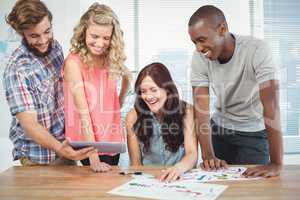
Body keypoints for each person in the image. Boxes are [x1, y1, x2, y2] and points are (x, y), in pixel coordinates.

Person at [188, 5, 283, 177]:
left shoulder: (257, 50)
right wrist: (208, 154)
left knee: (254, 188)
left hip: (253, 133)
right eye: (194, 42)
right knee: (217, 184)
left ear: (222, 29)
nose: (198, 48)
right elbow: (201, 109)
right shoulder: (199, 58)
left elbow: (271, 105)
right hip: (219, 131)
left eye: (202, 40)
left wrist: (276, 162)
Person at [3, 0, 95, 166]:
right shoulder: (17, 69)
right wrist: (60, 148)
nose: (44, 40)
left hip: (66, 148)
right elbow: (30, 124)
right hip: (37, 158)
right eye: (34, 36)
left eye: (47, 31)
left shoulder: (55, 48)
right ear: (22, 33)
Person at [63, 3, 130, 172]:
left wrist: (118, 104)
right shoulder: (73, 63)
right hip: (88, 141)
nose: (100, 43)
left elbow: (127, 78)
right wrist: (93, 157)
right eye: (95, 36)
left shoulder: (110, 58)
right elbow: (82, 112)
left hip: (112, 137)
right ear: (83, 31)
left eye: (106, 38)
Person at [126, 62, 198, 182]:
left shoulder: (187, 111)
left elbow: (192, 154)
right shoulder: (133, 116)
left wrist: (177, 169)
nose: (148, 96)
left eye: (154, 90)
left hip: (179, 176)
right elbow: (136, 163)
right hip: (149, 179)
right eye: (143, 91)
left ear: (167, 90)